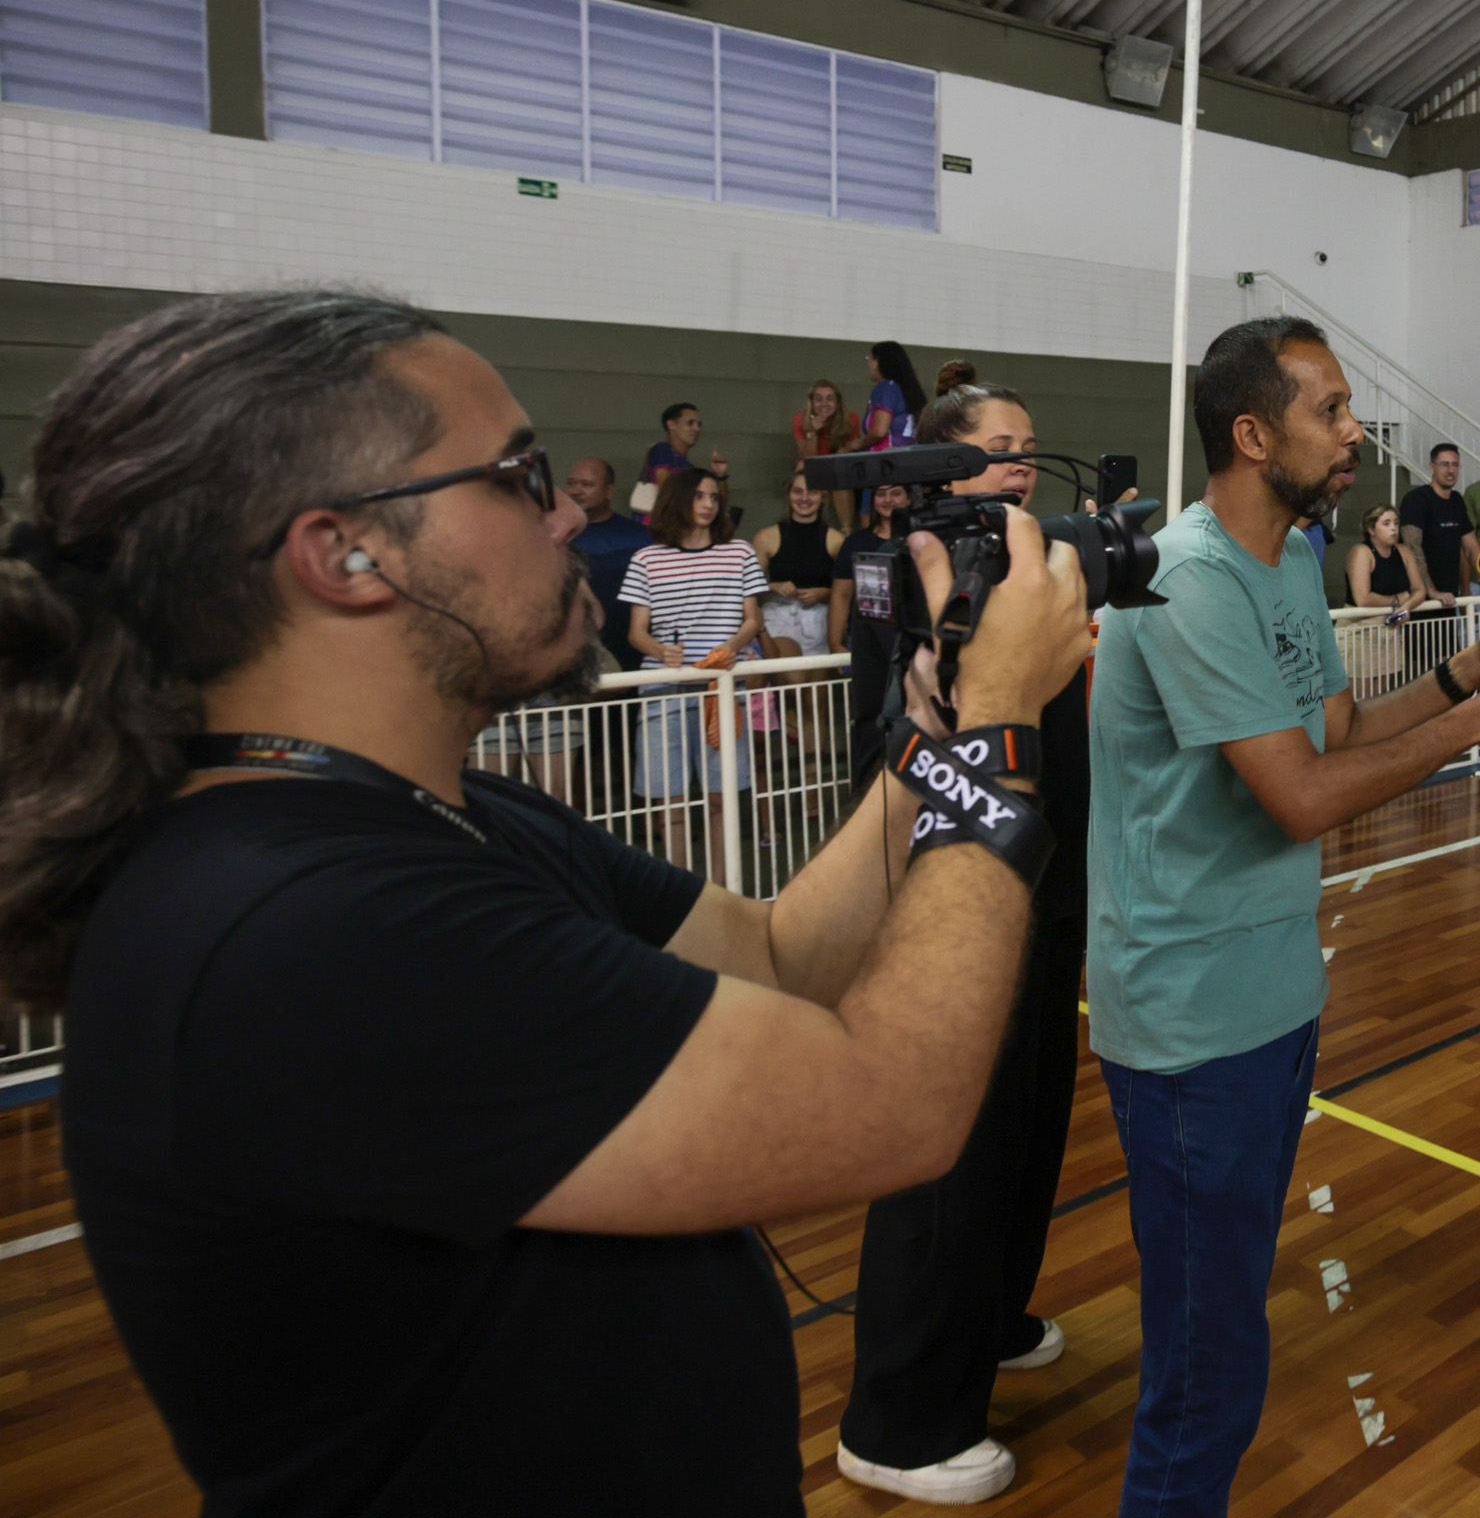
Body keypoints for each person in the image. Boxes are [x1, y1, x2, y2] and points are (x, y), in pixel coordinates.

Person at [0, 288, 1093, 1514]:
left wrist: (936, 736)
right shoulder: (305, 923)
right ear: (343, 553)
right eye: (519, 476)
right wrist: (1002, 731)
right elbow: (894, 1105)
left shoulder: (453, 812)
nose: (569, 513)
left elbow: (779, 953)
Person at [1088, 315, 1480, 1518]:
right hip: (1190, 1024)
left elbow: (1336, 730)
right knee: (1204, 1377)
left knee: (1225, 1338)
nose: (1358, 430)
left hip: (1275, 1002)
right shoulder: (1186, 576)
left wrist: (1464, 674)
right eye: (1332, 410)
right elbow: (1300, 795)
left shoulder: (1295, 556)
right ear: (1254, 434)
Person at [837, 385, 1091, 1504]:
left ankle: (990, 1317)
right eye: (995, 449)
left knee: (1029, 1122)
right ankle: (899, 1419)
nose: (1020, 464)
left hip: (1045, 881)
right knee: (955, 1145)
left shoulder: (1042, 568)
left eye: (1029, 448)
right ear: (934, 463)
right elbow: (902, 731)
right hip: (953, 885)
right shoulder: (914, 571)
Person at [623, 468, 767, 871]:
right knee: (670, 799)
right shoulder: (646, 558)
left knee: (722, 794)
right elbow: (636, 632)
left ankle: (722, 886)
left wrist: (730, 648)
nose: (708, 505)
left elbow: (753, 619)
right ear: (678, 500)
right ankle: (683, 891)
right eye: (699, 496)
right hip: (663, 686)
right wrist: (661, 651)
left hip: (719, 686)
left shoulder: (739, 552)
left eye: (714, 497)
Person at [830, 480, 915, 789]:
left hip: (912, 645)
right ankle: (867, 793)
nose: (888, 500)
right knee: (872, 719)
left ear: (909, 498)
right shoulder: (857, 542)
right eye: (881, 494)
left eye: (896, 493)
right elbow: (841, 595)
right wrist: (835, 643)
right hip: (872, 646)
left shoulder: (923, 539)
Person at [565, 456, 649, 671]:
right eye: (571, 483)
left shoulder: (641, 536)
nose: (576, 491)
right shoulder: (557, 537)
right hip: (581, 653)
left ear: (609, 491)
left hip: (639, 650)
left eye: (586, 484)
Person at [751, 469, 838, 658]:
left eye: (812, 492)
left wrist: (825, 593)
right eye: (798, 491)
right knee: (787, 673)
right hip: (777, 617)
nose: (804, 498)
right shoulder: (766, 537)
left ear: (823, 497)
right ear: (788, 495)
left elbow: (848, 593)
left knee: (816, 677)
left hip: (820, 621)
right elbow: (748, 589)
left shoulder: (836, 540)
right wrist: (775, 586)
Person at [1396, 442, 1480, 599]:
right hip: (1419, 598)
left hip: (1448, 595)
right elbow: (1412, 549)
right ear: (1432, 467)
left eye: (1455, 465)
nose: (1450, 470)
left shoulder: (1456, 500)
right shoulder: (1416, 499)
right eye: (1444, 464)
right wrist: (1430, 590)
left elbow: (1471, 547)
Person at [791, 381, 860, 528]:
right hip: (813, 464)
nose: (824, 404)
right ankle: (805, 525)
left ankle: (846, 530)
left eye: (830, 399)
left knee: (839, 474)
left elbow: (846, 452)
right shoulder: (800, 419)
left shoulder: (850, 418)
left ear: (838, 403)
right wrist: (812, 433)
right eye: (818, 399)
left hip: (837, 464)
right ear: (811, 402)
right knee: (803, 467)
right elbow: (807, 457)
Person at [642, 402, 728, 504]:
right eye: (690, 423)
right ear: (671, 424)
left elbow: (717, 504)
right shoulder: (662, 449)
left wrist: (720, 475)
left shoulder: (689, 468)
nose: (697, 429)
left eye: (699, 425)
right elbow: (667, 494)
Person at [1345, 504, 1424, 610]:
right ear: (1371, 529)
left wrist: (1406, 607)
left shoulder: (1404, 551)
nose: (1393, 528)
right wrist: (1396, 600)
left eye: (1396, 523)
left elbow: (1419, 589)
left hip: (1395, 617)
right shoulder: (1361, 552)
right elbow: (1363, 599)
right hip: (1361, 618)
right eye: (1386, 524)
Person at [861, 343, 924, 451]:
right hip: (910, 455)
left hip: (886, 457)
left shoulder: (886, 387)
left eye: (869, 358)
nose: (868, 363)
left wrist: (856, 445)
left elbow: (879, 432)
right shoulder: (908, 390)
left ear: (878, 362)